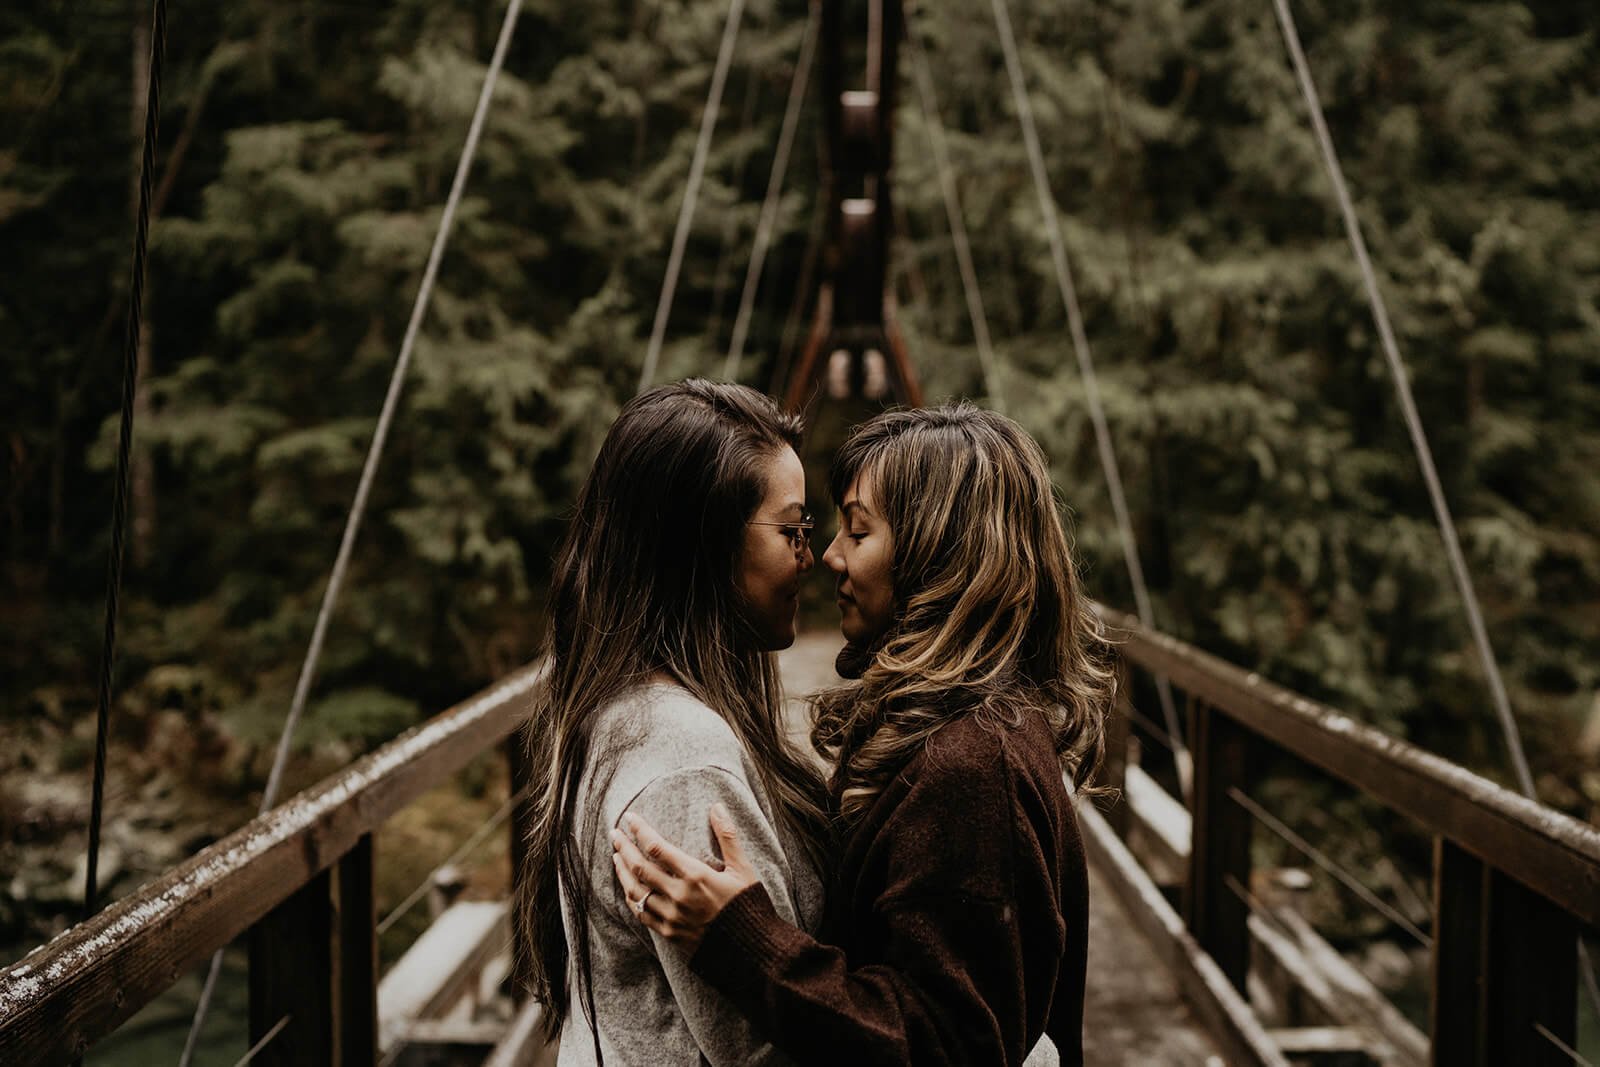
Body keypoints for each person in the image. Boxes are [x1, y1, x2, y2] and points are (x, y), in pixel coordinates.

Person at [613, 403, 1112, 1066]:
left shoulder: (972, 765)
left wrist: (746, 942)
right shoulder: (963, 731)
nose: (829, 556)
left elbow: (949, 1047)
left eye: (857, 530)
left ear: (937, 552)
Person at [519, 379, 833, 1065]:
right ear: (706, 546)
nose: (812, 557)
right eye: (792, 530)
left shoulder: (621, 711)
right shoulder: (685, 760)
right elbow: (765, 1051)